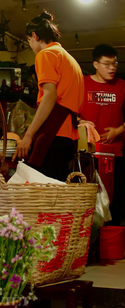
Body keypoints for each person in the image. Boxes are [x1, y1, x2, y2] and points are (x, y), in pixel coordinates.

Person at [12, 11, 84, 181]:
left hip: (54, 133)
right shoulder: (69, 58)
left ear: (34, 36)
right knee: (56, 191)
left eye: (29, 40)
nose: (30, 44)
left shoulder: (45, 54)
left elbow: (50, 96)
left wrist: (28, 135)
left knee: (42, 192)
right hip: (67, 137)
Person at [79, 44, 125, 226]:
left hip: (117, 153)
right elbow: (68, 112)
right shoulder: (82, 83)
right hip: (88, 153)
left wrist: (119, 130)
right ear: (95, 64)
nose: (112, 68)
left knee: (116, 200)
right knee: (90, 200)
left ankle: (114, 241)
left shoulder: (122, 86)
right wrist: (79, 121)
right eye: (107, 64)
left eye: (115, 63)